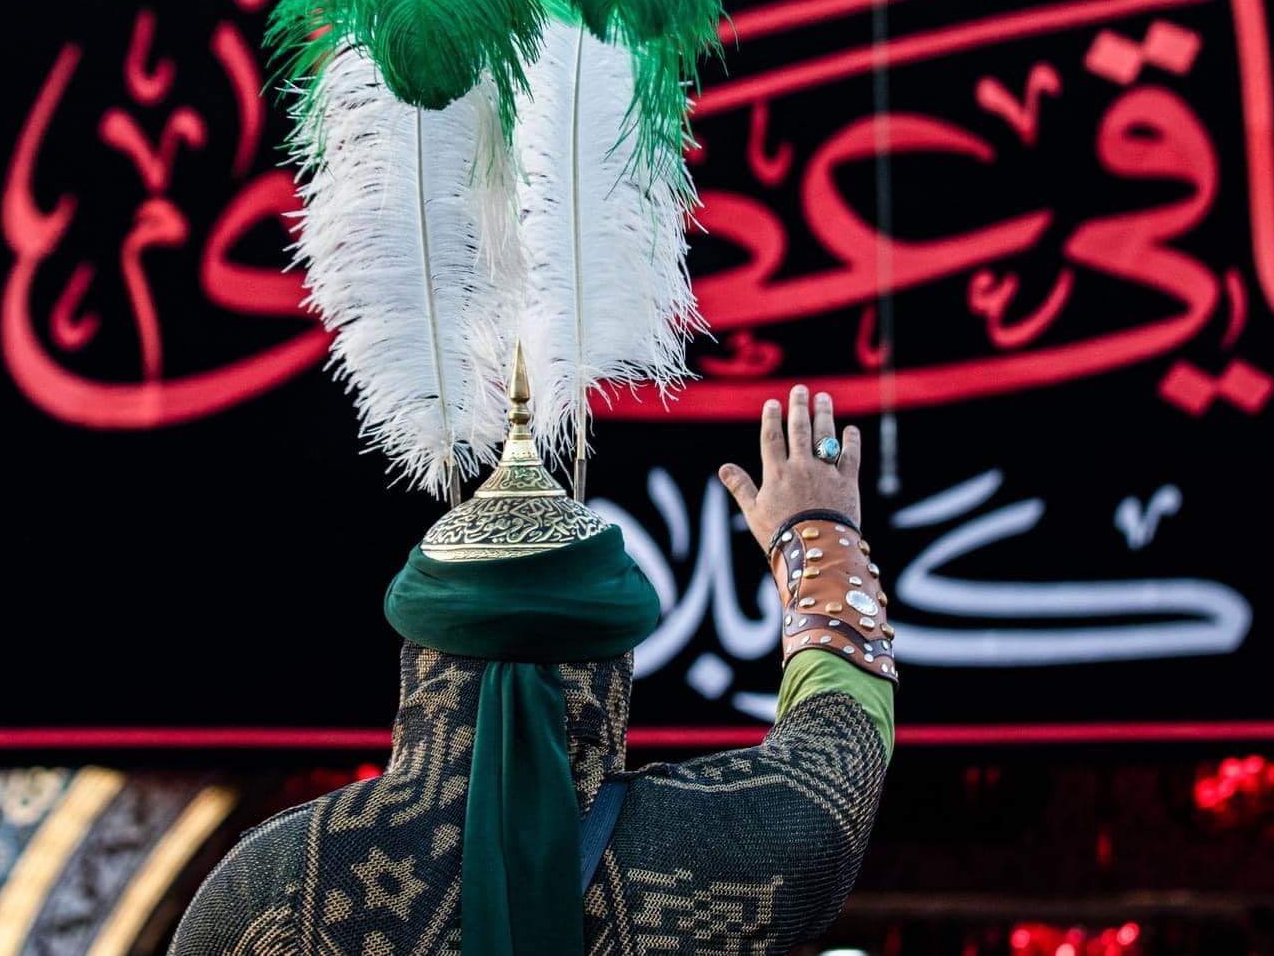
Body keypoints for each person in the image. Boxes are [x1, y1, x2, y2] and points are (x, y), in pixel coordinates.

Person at [169, 376, 897, 956]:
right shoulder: (714, 850)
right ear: (611, 665)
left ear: (423, 652)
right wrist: (818, 535)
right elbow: (840, 745)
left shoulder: (273, 885)